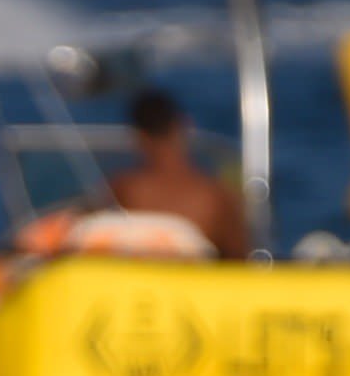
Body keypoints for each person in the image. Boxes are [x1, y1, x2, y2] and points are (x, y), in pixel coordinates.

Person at [14, 90, 249, 260]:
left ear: (139, 137)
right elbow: (240, 260)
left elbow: (81, 230)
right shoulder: (216, 197)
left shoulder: (123, 189)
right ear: (184, 127)